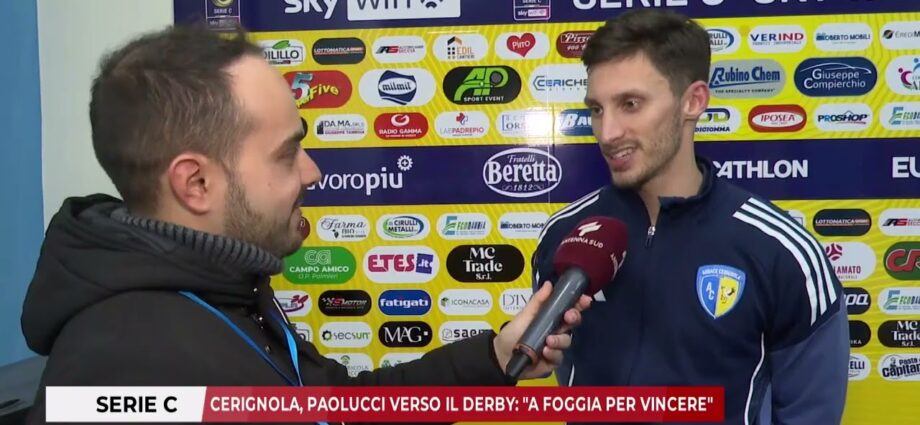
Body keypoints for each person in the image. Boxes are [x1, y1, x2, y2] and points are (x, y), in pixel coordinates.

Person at [20, 25, 591, 424]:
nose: (313, 171)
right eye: (286, 153)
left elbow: (339, 409)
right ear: (196, 184)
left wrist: (496, 355)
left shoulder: (224, 292)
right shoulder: (121, 370)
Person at [531, 9, 849, 425]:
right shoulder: (564, 235)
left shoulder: (780, 250)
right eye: (596, 109)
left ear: (693, 101)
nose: (607, 133)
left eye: (630, 104)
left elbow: (811, 412)